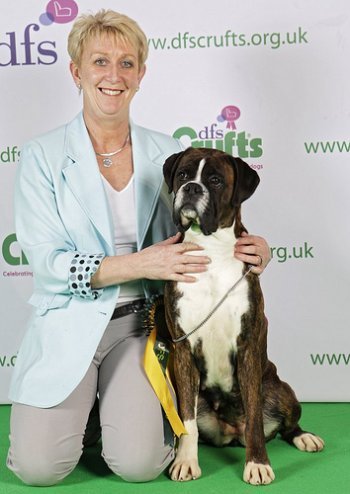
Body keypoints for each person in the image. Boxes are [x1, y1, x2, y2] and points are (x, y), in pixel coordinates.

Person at [6, 9, 271, 487]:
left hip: (143, 326)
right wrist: (137, 262)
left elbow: (214, 220)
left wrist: (256, 247)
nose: (114, 75)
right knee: (38, 470)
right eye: (100, 61)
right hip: (69, 318)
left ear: (141, 75)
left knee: (139, 466)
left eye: (127, 64)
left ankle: (113, 412)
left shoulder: (170, 153)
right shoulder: (41, 156)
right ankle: (88, 415)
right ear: (76, 71)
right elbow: (46, 263)